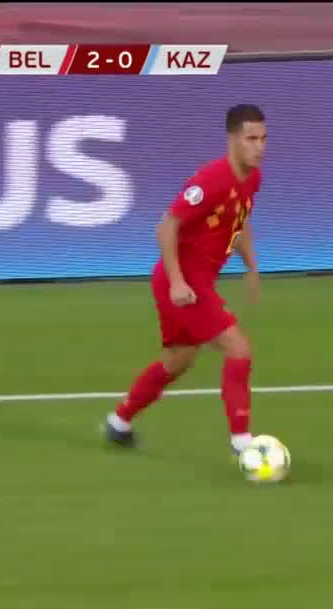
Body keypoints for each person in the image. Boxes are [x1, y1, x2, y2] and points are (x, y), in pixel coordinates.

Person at [104, 104, 266, 455]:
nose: (259, 147)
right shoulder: (210, 180)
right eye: (251, 139)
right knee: (238, 349)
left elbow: (238, 223)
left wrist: (251, 265)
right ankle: (243, 444)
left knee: (179, 360)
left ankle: (119, 422)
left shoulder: (252, 178)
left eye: (263, 139)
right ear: (233, 140)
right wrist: (178, 282)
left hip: (190, 282)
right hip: (184, 283)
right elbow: (166, 226)